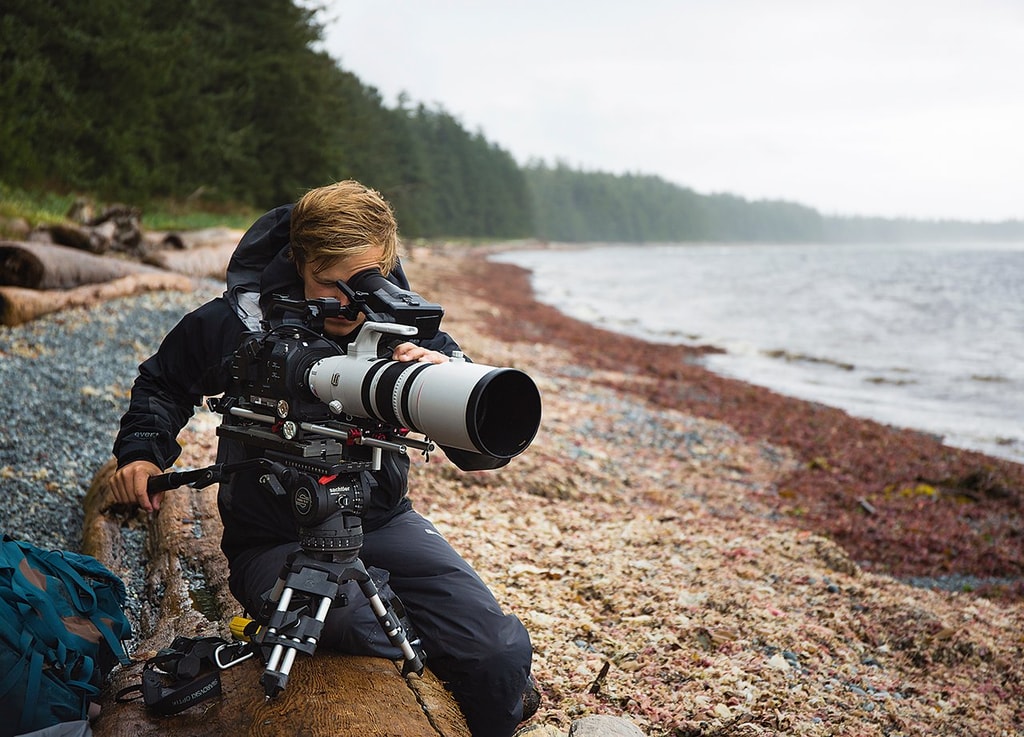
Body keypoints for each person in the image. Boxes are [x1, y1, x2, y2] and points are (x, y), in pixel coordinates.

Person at [109, 180, 535, 736]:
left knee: (497, 653)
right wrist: (142, 453)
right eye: (330, 283)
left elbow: (483, 451)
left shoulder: (409, 332)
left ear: (386, 264)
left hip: (383, 521)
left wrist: (445, 376)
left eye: (364, 281)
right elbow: (164, 382)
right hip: (272, 539)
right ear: (298, 259)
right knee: (363, 622)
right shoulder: (240, 325)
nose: (347, 302)